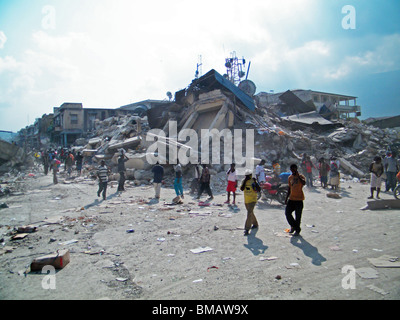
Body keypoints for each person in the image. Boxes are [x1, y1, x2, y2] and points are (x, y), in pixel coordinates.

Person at [285, 164, 306, 236]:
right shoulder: (290, 178)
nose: (293, 171)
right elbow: (289, 188)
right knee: (287, 213)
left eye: (294, 169)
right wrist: (286, 198)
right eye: (292, 169)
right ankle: (294, 226)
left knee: (298, 216)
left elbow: (304, 183)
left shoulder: (301, 176)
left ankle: (297, 230)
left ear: (296, 169)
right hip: (291, 199)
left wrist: (298, 176)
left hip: (299, 199)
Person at [240, 169, 261, 236]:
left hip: (253, 200)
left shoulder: (253, 181)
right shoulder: (244, 181)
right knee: (251, 213)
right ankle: (255, 224)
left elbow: (259, 189)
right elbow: (242, 189)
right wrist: (245, 181)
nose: (247, 177)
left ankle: (247, 229)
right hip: (246, 200)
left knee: (249, 213)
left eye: (248, 175)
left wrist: (255, 182)